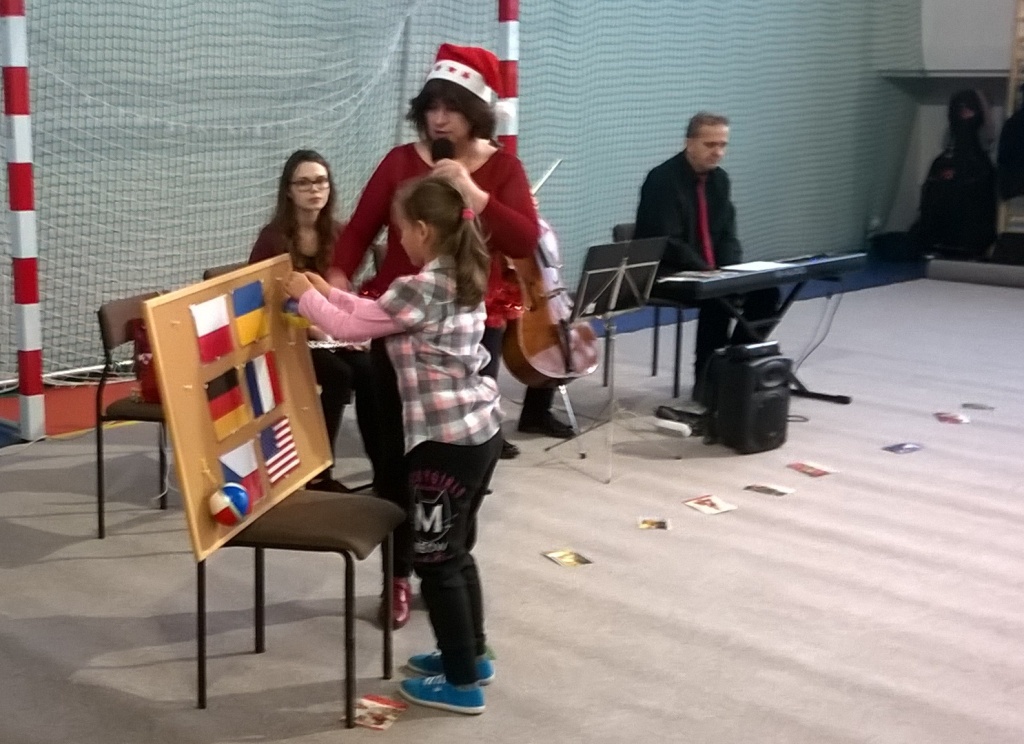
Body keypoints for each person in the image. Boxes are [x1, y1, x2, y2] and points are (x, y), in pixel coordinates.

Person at [327, 43, 540, 629]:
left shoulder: (502, 168)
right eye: (431, 108)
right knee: (392, 460)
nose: (439, 120)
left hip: (468, 331)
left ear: (476, 112)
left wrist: (474, 192)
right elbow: (358, 231)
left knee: (456, 463)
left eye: (452, 108)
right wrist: (339, 278)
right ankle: (398, 575)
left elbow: (524, 241)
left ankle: (447, 560)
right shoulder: (401, 161)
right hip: (396, 330)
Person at [285, 174, 503, 715]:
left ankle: (462, 685)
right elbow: (371, 313)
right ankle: (471, 656)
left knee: (437, 562)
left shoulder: (420, 286)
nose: (397, 239)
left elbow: (348, 328)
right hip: (477, 434)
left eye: (400, 230)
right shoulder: (455, 275)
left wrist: (302, 297)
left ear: (423, 230)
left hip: (442, 442)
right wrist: (324, 291)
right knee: (456, 553)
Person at [248, 149, 384, 492]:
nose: (314, 190)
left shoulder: (339, 233)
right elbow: (263, 300)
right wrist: (318, 329)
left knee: (369, 370)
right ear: (289, 191)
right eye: (304, 183)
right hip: (284, 334)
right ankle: (319, 472)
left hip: (328, 329)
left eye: (321, 182)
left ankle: (385, 467)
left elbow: (340, 292)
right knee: (338, 376)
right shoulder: (272, 239)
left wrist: (345, 330)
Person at [634, 112, 780, 402]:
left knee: (767, 292)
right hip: (666, 271)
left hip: (708, 271)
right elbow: (666, 241)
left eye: (723, 145)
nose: (718, 152)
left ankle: (735, 366)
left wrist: (731, 271)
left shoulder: (720, 180)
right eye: (710, 144)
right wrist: (708, 272)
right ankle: (707, 382)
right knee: (717, 297)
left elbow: (727, 234)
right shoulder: (662, 180)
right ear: (689, 143)